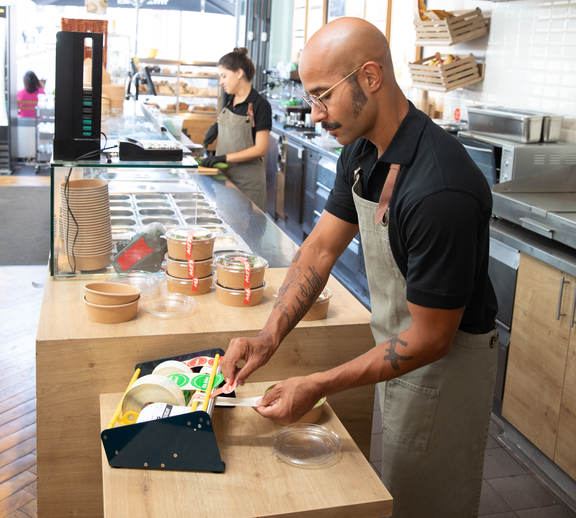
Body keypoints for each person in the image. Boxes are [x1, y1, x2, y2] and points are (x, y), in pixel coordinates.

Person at [221, 17, 499, 518]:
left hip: (445, 369)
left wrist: (320, 383)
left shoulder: (439, 190)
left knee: (426, 502)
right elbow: (321, 249)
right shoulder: (362, 150)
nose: (316, 114)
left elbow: (433, 338)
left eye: (323, 96)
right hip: (399, 351)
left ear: (370, 78)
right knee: (395, 486)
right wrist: (267, 338)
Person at [201, 48, 271, 212]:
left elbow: (261, 149)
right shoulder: (230, 98)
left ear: (239, 73)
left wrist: (224, 158)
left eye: (223, 76)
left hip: (248, 185)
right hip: (226, 178)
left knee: (248, 234)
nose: (220, 82)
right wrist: (217, 126)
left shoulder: (260, 105)